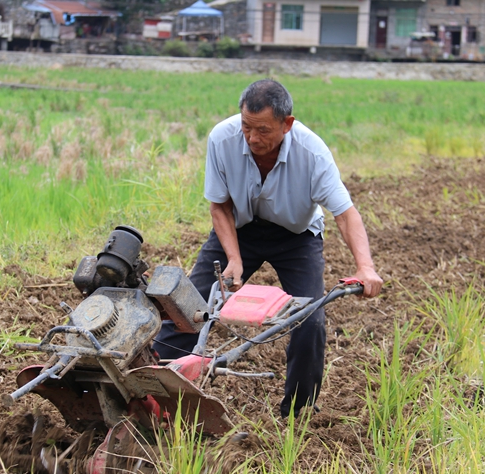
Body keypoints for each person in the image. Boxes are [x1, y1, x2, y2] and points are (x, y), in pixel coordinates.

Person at [153, 79, 383, 418]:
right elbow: (219, 206)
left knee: (310, 321)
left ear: (287, 124)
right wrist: (233, 259)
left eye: (263, 130)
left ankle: (299, 412)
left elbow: (345, 214)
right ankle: (154, 396)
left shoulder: (312, 152)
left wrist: (365, 267)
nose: (252, 138)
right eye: (246, 126)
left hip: (296, 237)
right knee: (187, 307)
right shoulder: (222, 138)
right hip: (239, 230)